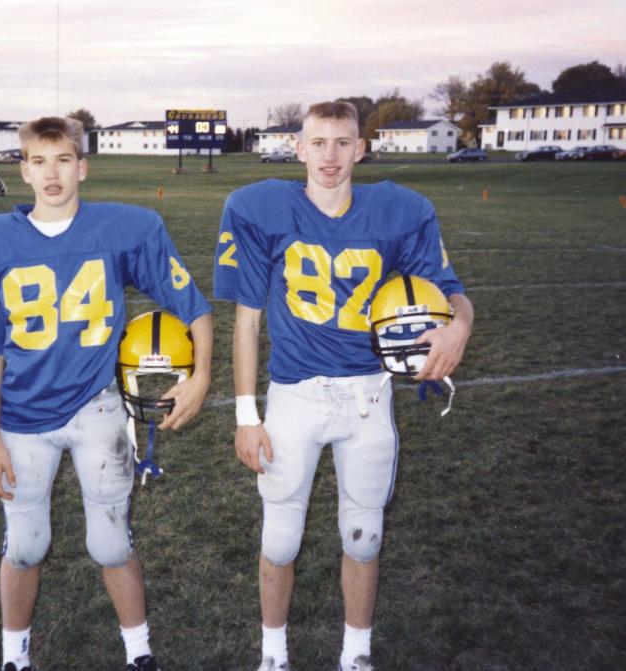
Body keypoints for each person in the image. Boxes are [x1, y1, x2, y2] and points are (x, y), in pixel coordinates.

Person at [214, 101, 473, 671]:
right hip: (295, 396)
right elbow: (248, 321)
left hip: (368, 395)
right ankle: (273, 655)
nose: (330, 156)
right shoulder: (259, 209)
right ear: (299, 148)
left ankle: (356, 653)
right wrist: (244, 415)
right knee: (280, 540)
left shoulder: (400, 212)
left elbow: (451, 291)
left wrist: (461, 327)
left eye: (342, 142)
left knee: (364, 535)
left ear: (361, 148)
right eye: (319, 142)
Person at [0, 116, 213, 671]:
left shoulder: (124, 228)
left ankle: (139, 650)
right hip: (21, 417)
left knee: (112, 542)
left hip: (97, 408)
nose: (52, 173)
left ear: (83, 167)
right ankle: (14, 656)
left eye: (63, 160)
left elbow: (194, 306)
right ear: (22, 171)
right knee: (24, 545)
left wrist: (204, 374)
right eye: (39, 161)